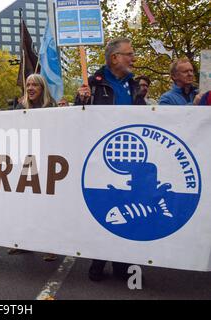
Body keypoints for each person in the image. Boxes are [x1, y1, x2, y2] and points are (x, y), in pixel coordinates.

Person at [75, 38, 146, 281]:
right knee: (105, 209)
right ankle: (98, 261)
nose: (133, 58)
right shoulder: (93, 85)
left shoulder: (134, 86)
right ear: (114, 58)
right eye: (129, 54)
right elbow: (79, 121)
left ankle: (123, 265)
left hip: (131, 158)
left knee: (128, 212)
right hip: (101, 158)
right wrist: (80, 101)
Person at [8, 74, 58, 261]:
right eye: (28, 85)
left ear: (42, 88)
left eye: (34, 85)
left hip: (45, 161)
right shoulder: (20, 106)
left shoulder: (51, 106)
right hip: (25, 161)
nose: (30, 88)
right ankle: (24, 244)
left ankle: (51, 246)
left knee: (45, 206)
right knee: (25, 205)